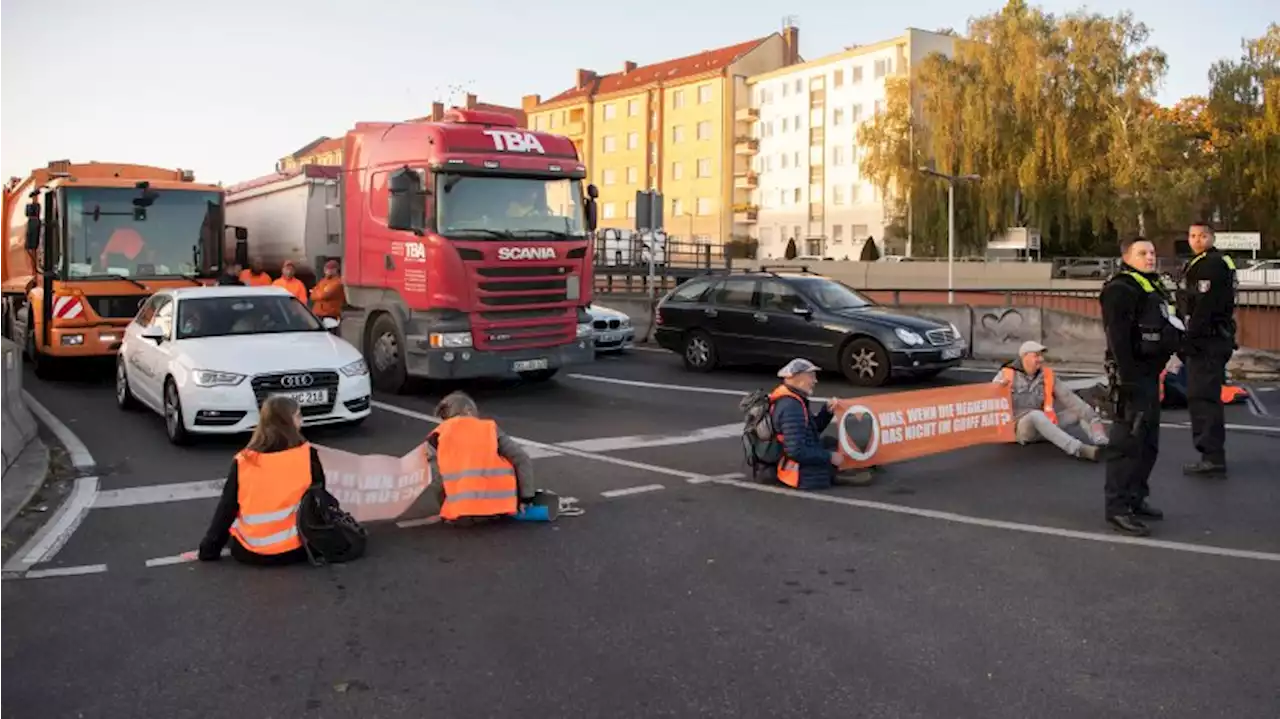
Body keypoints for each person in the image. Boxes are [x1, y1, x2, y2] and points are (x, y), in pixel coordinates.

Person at [1099, 237, 1183, 537]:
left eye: (1152, 252)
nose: (1150, 257)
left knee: (1148, 443)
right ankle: (1118, 508)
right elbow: (1118, 338)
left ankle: (1136, 497)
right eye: (1143, 253)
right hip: (1132, 377)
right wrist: (1129, 380)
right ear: (1127, 257)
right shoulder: (1120, 288)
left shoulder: (1151, 285)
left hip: (1151, 374)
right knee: (1126, 445)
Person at [198, 396, 325, 564]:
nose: (302, 420)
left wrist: (209, 549)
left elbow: (226, 508)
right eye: (298, 415)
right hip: (298, 549)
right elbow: (318, 499)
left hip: (250, 552)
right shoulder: (307, 455)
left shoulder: (243, 461)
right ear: (288, 422)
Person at [1178, 222, 1237, 479]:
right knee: (1202, 395)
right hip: (1210, 340)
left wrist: (1188, 339)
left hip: (1207, 341)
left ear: (1212, 237)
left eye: (1202, 235)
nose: (1197, 240)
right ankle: (1210, 454)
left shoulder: (1210, 265)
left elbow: (1204, 307)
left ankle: (1211, 456)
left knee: (1202, 397)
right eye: (1192, 235)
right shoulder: (1206, 262)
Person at [425, 391, 536, 522]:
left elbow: (436, 479)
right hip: (501, 507)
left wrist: (445, 504)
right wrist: (526, 498)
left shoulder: (436, 436)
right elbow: (521, 459)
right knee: (507, 459)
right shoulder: (489, 428)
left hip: (461, 512)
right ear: (468, 410)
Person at [767, 358, 875, 489]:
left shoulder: (793, 399)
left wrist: (827, 411)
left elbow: (811, 430)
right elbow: (795, 451)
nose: (815, 381)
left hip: (796, 462)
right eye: (811, 376)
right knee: (845, 461)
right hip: (800, 474)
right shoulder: (791, 407)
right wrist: (829, 457)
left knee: (831, 443)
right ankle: (839, 472)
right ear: (799, 378)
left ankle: (857, 464)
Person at [993, 340, 1108, 461]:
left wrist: (1093, 418)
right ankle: (1079, 449)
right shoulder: (1005, 375)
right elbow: (988, 399)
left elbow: (1069, 398)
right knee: (1035, 415)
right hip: (1020, 430)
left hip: (1045, 424)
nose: (1041, 359)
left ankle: (1102, 443)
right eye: (1036, 355)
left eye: (1041, 356)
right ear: (1024, 357)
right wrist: (999, 389)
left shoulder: (1047, 375)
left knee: (1078, 412)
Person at [310, 260, 346, 327]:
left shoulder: (337, 282)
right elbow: (312, 295)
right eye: (326, 268)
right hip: (318, 314)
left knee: (330, 334)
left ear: (336, 270)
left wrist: (318, 293)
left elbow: (324, 295)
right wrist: (319, 293)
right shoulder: (322, 281)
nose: (327, 270)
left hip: (330, 315)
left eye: (330, 269)